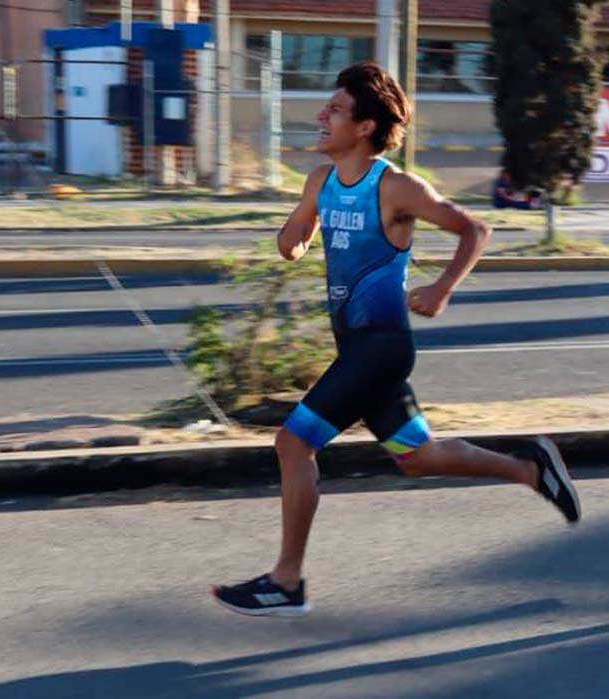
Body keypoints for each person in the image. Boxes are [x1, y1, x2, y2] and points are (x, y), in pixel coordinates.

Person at [212, 62, 580, 618]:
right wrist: (294, 240)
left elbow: (475, 229)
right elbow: (297, 237)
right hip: (356, 347)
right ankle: (532, 468)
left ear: (364, 127)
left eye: (335, 109)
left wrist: (442, 288)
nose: (321, 115)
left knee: (293, 444)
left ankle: (286, 582)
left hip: (381, 346)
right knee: (417, 457)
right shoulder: (321, 181)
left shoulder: (395, 187)